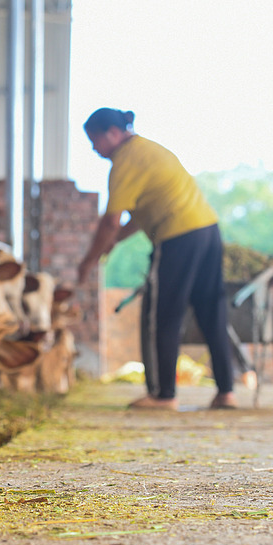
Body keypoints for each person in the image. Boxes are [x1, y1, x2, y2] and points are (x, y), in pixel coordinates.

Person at [77, 108, 237, 410]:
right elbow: (135, 219)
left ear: (112, 133)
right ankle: (227, 392)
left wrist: (89, 260)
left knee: (162, 314)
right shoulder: (149, 150)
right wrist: (114, 243)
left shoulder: (125, 161)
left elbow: (110, 221)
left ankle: (164, 396)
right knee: (212, 312)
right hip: (208, 231)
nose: (94, 149)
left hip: (178, 237)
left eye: (94, 140)